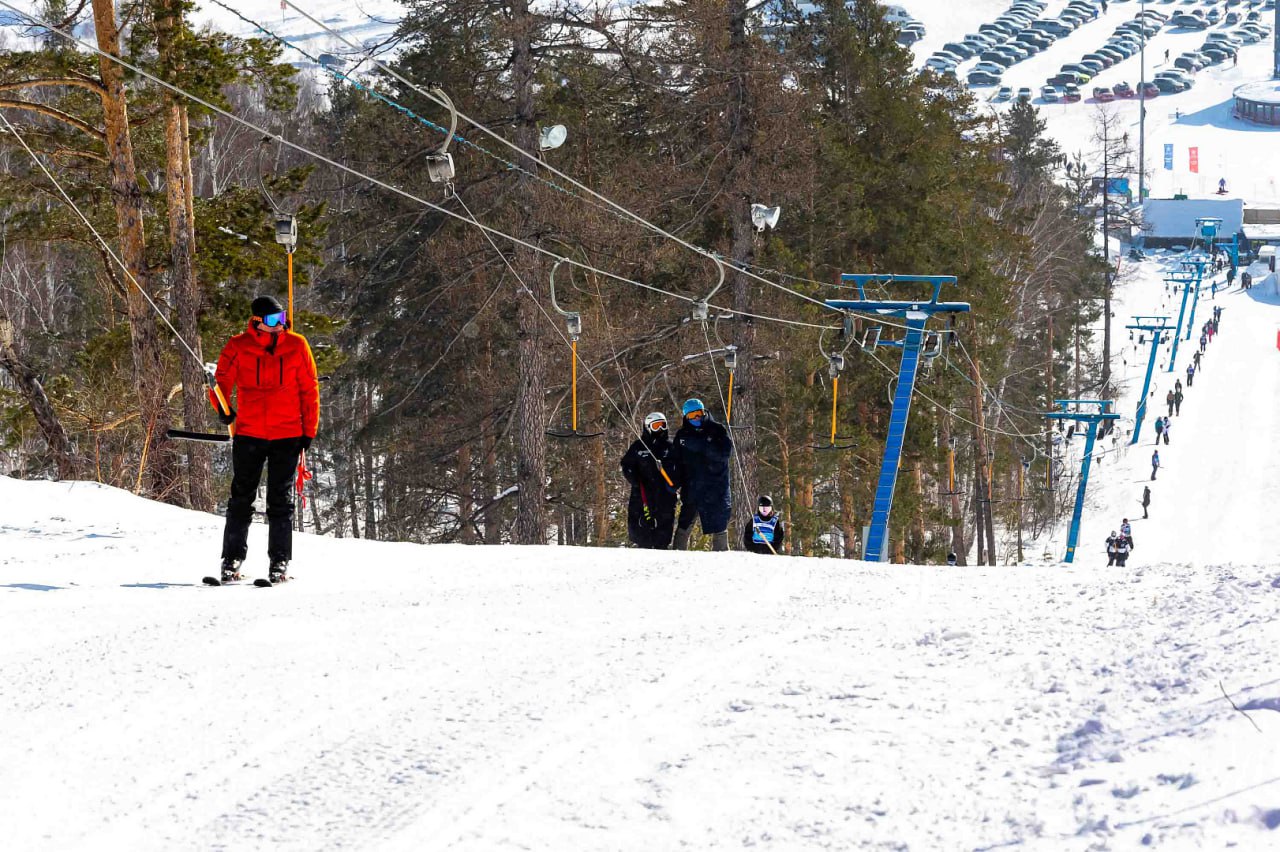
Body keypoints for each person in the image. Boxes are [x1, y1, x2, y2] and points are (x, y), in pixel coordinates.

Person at [210, 295, 319, 584]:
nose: (280, 326)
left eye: (283, 319)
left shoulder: (297, 345)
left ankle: (279, 562)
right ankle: (231, 559)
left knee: (280, 501)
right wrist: (222, 408)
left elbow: (309, 390)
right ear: (257, 322)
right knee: (241, 498)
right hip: (249, 433)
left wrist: (309, 431)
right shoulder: (238, 346)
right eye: (274, 321)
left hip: (287, 435)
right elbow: (220, 383)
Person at [672, 398, 734, 551]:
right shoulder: (682, 435)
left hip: (716, 487)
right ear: (686, 417)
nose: (696, 418)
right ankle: (676, 555)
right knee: (685, 522)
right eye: (692, 416)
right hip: (692, 488)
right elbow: (676, 461)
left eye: (699, 414)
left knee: (719, 523)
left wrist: (701, 446)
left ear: (704, 412)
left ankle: (722, 556)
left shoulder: (717, 430)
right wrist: (673, 482)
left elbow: (725, 453)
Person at [620, 412, 680, 549]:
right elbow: (626, 464)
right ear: (648, 427)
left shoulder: (669, 447)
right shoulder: (639, 446)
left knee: (663, 525)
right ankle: (642, 546)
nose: (660, 429)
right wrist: (634, 479)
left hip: (664, 493)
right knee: (641, 524)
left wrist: (673, 481)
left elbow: (679, 468)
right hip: (642, 492)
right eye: (656, 426)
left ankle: (661, 548)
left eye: (662, 425)